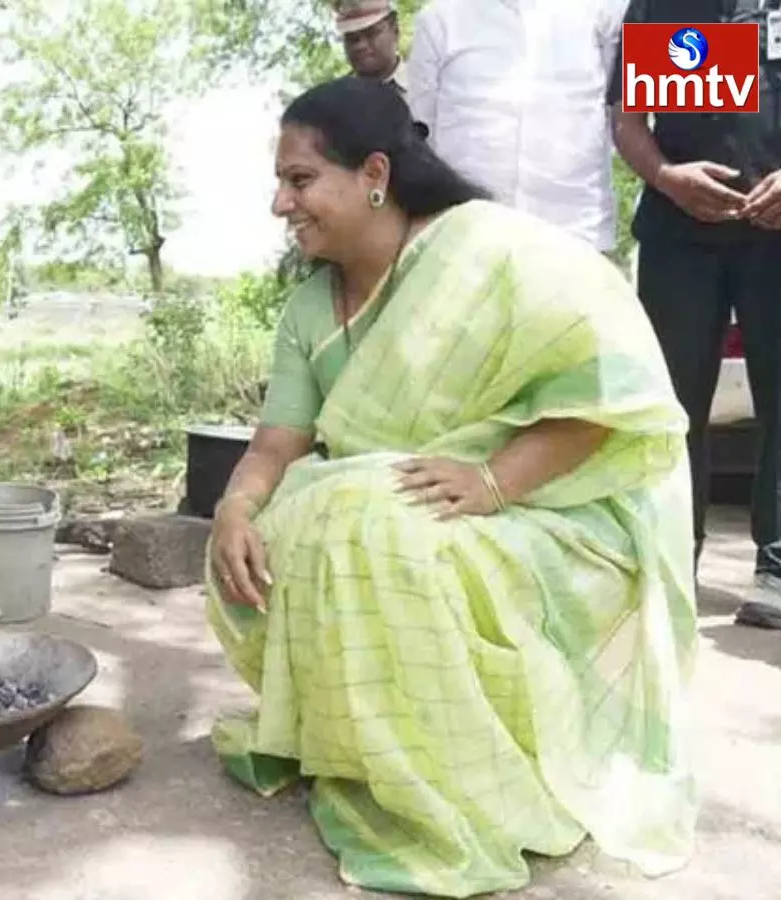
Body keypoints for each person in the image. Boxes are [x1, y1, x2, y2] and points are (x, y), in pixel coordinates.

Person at [207, 76, 697, 897]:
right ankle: (363, 751)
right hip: (416, 499)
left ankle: (466, 785)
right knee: (288, 529)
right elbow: (278, 444)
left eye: (299, 180)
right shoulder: (307, 307)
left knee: (371, 529)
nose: (280, 205)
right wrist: (232, 508)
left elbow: (614, 399)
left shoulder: (491, 251)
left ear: (372, 174)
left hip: (545, 510)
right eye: (280, 183)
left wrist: (494, 481)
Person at [608, 0, 781, 628]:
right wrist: (666, 175)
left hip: (776, 236)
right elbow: (627, 119)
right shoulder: (657, 5)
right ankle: (673, 554)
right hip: (679, 236)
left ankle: (777, 566)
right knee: (670, 403)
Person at [406, 0, 629, 253]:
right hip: (468, 241)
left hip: (575, 232)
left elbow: (625, 118)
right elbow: (421, 138)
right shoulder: (439, 20)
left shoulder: (605, 10)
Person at [335, 0, 407, 96]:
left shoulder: (427, 86)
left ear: (395, 31)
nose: (360, 46)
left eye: (371, 33)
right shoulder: (335, 100)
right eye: (352, 39)